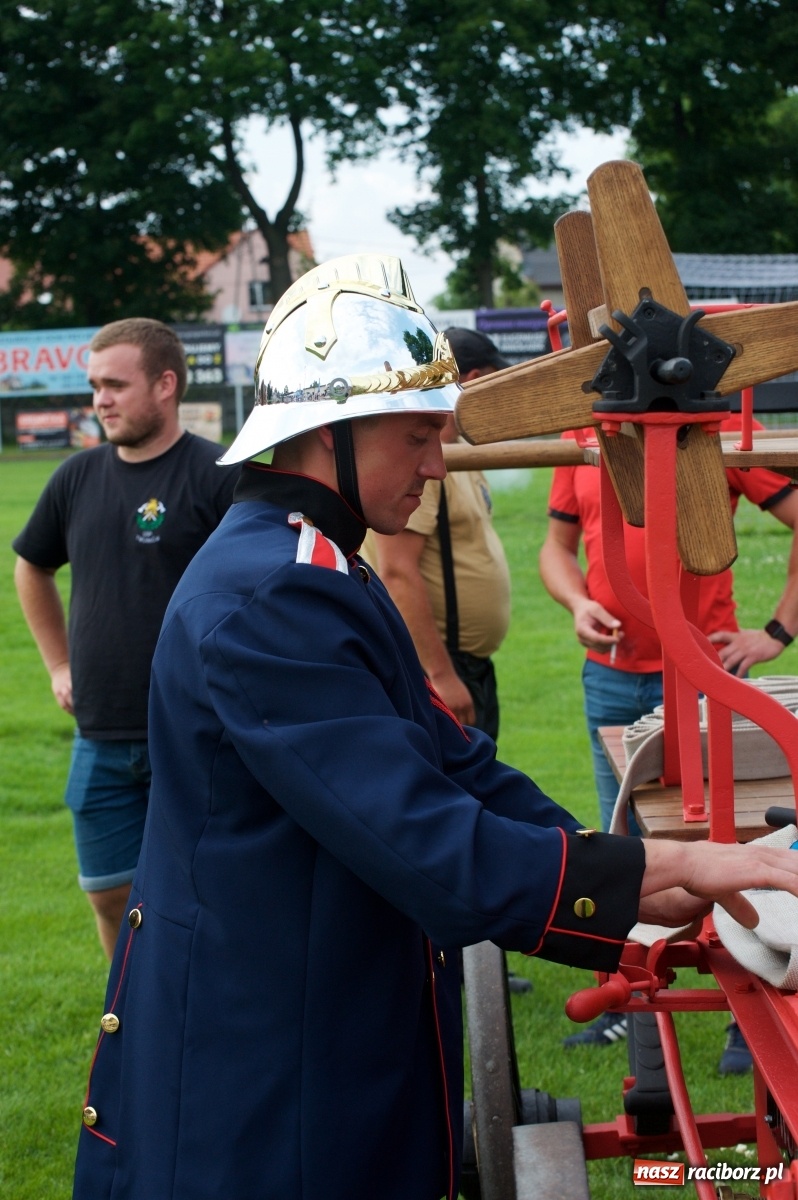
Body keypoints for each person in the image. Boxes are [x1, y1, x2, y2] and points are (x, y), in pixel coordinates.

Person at [72, 256, 798, 1200]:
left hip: (309, 1011)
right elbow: (430, 842)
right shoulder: (274, 594)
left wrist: (614, 863)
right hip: (266, 1061)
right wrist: (661, 870)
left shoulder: (312, 565)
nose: (437, 464)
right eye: (418, 436)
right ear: (325, 432)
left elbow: (454, 767)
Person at [539, 423, 798, 1067]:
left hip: (708, 674)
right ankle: (632, 1011)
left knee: (732, 844)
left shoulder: (720, 427)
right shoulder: (583, 433)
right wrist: (575, 601)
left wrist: (776, 631)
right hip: (612, 677)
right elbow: (555, 547)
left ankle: (755, 998)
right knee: (623, 847)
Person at [12, 318, 238, 959]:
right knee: (111, 894)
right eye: (94, 386)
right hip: (100, 731)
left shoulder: (219, 476)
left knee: (208, 897)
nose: (99, 400)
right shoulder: (75, 477)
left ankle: (210, 1026)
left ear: (166, 385)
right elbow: (31, 564)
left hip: (196, 733)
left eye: (115, 384)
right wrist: (58, 663)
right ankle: (134, 1026)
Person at [364, 327, 511, 741]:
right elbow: (397, 572)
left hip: (465, 662)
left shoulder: (461, 452)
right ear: (477, 381)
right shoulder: (424, 465)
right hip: (441, 664)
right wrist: (440, 673)